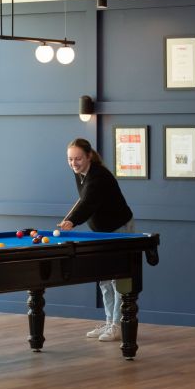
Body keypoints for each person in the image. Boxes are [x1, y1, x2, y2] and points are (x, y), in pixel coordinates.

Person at [58, 138, 135, 342]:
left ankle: (118, 324)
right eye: (70, 159)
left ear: (89, 156)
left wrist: (71, 221)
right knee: (104, 278)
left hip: (118, 228)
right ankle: (110, 321)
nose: (74, 163)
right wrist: (71, 219)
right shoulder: (80, 174)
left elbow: (88, 203)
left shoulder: (99, 176)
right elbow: (83, 200)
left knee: (118, 278)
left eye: (78, 159)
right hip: (100, 232)